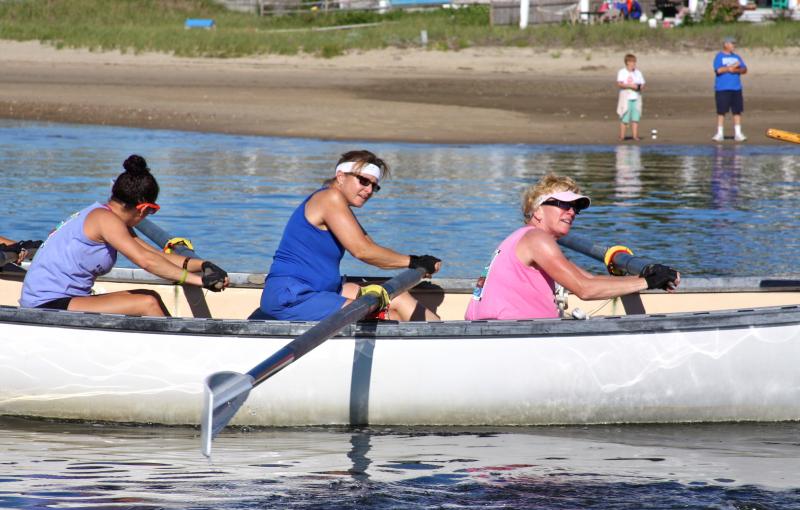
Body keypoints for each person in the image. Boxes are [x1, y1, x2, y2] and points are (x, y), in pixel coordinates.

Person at [19, 155, 228, 316]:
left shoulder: (108, 217)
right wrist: (199, 282)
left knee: (150, 296)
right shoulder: (105, 220)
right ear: (143, 207)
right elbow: (146, 262)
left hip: (66, 299)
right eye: (151, 211)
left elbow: (156, 255)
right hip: (45, 304)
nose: (149, 216)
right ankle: (179, 361)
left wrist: (203, 265)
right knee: (148, 303)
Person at [250, 150, 441, 322]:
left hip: (322, 291)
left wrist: (417, 262)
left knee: (398, 296)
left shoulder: (338, 205)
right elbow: (362, 252)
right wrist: (415, 262)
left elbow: (372, 249)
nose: (368, 190)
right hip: (293, 296)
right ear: (340, 176)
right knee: (387, 317)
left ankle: (437, 337)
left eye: (374, 186)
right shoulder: (329, 198)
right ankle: (439, 344)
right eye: (363, 181)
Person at [465, 174, 679, 321]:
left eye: (575, 207)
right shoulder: (537, 240)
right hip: (513, 340)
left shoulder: (524, 238)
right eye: (564, 205)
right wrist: (647, 282)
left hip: (504, 334)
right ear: (537, 210)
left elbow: (590, 280)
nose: (572, 212)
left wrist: (648, 278)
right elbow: (585, 290)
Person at [712, 36, 748, 142]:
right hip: (722, 88)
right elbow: (718, 70)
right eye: (732, 44)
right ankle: (719, 133)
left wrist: (736, 70)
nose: (734, 46)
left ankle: (738, 133)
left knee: (737, 111)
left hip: (736, 88)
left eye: (734, 44)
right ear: (726, 44)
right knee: (721, 111)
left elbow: (744, 69)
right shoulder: (719, 56)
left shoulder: (737, 57)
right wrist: (729, 68)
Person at [616, 53, 645, 142]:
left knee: (635, 118)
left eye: (634, 62)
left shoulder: (638, 72)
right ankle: (622, 136)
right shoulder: (622, 72)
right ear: (627, 62)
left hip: (636, 97)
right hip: (626, 97)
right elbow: (619, 84)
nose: (633, 64)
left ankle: (635, 136)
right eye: (632, 62)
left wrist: (639, 87)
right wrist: (630, 86)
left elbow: (643, 84)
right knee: (624, 118)